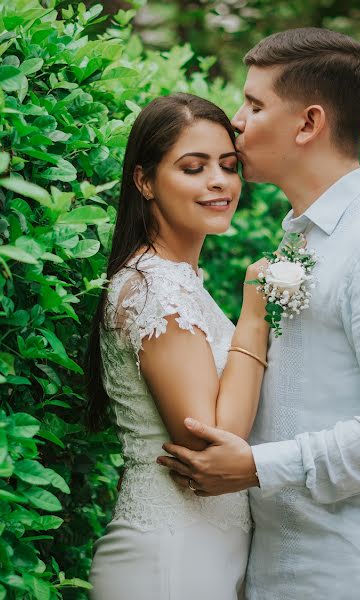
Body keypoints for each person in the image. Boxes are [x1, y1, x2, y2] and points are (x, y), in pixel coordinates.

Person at [157, 28, 360, 599]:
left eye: (255, 103)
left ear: (309, 123)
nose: (236, 121)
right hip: (288, 571)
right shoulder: (306, 238)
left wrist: (261, 466)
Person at [84, 92, 271, 599]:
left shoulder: (178, 282)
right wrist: (256, 314)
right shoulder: (156, 289)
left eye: (228, 166)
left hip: (203, 555)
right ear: (144, 181)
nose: (218, 181)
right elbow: (209, 446)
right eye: (194, 167)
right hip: (169, 561)